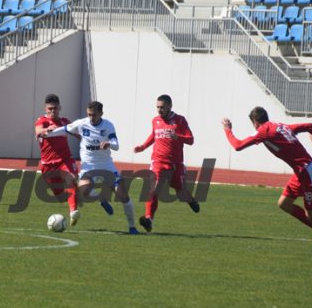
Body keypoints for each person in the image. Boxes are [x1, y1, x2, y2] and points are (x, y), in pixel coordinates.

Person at [222, 106, 312, 254]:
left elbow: (238, 146)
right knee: (284, 203)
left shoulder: (264, 131)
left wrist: (227, 129)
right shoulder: (281, 126)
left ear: (255, 122)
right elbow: (309, 126)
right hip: (301, 172)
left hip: (307, 173)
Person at [45, 101, 139, 234]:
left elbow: (116, 144)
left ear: (101, 114)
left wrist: (109, 144)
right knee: (83, 192)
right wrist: (48, 133)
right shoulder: (82, 123)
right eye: (89, 114)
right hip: (88, 167)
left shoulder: (108, 125)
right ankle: (101, 198)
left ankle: (132, 227)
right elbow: (65, 129)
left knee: (123, 196)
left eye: (94, 115)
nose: (91, 117)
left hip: (107, 166)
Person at [133, 94, 199, 232]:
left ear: (170, 106)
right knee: (153, 189)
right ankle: (148, 219)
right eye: (157, 107)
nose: (159, 110)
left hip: (175, 164)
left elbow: (190, 140)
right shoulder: (155, 120)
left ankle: (190, 200)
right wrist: (143, 147)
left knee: (181, 193)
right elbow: (153, 135)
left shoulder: (180, 120)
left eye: (162, 107)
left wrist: (178, 137)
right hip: (158, 161)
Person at [34, 94, 80, 225]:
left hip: (65, 160)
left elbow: (78, 134)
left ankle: (73, 211)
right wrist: (46, 130)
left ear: (60, 108)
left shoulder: (65, 122)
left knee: (71, 179)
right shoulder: (42, 121)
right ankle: (75, 195)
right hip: (48, 165)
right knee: (60, 197)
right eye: (50, 109)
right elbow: (38, 131)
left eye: (55, 108)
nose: (52, 111)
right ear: (45, 109)